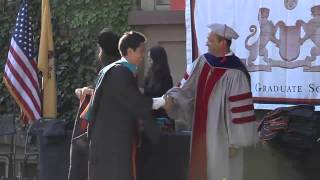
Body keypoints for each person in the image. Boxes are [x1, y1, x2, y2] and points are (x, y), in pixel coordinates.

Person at [163, 23, 257, 180]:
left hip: (223, 136)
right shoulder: (203, 61)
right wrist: (172, 98)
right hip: (201, 130)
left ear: (223, 43)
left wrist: (236, 143)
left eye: (211, 41)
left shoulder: (236, 73)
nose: (206, 43)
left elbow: (241, 111)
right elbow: (186, 87)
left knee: (221, 171)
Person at [88, 31, 161, 180]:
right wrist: (163, 102)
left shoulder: (112, 70)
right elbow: (136, 103)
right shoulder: (120, 72)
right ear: (129, 51)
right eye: (141, 51)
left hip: (108, 141)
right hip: (113, 145)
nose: (143, 56)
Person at [68, 28, 121, 180]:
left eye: (99, 49)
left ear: (103, 50)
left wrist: (86, 93)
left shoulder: (112, 70)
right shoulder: (118, 69)